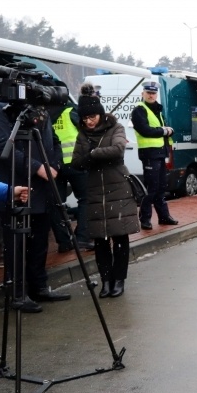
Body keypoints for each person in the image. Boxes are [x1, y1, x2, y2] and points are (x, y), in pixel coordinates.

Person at [0, 98, 70, 313]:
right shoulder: (1, 111)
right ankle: (17, 293)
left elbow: (54, 141)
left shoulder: (39, 111)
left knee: (39, 242)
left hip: (43, 188)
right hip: (16, 187)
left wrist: (54, 164)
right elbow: (2, 146)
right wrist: (37, 167)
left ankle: (39, 287)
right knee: (16, 245)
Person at [71, 84, 140, 298]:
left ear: (100, 114)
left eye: (92, 117)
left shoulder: (116, 128)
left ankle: (119, 279)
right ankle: (106, 280)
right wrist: (94, 155)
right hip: (94, 191)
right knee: (100, 240)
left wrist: (92, 154)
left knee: (119, 237)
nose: (88, 121)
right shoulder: (82, 135)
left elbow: (117, 150)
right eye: (85, 119)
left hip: (117, 187)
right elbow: (76, 162)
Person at [131, 80, 177, 230]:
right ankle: (145, 219)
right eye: (148, 93)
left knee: (161, 187)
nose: (151, 95)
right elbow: (145, 130)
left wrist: (168, 130)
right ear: (143, 93)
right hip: (149, 154)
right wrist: (164, 130)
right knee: (151, 189)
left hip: (159, 153)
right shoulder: (139, 110)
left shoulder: (156, 109)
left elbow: (158, 129)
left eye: (153, 93)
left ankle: (164, 216)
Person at [49, 96, 93, 252]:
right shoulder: (71, 110)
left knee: (57, 204)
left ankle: (64, 242)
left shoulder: (44, 114)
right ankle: (82, 237)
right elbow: (87, 131)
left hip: (55, 165)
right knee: (86, 198)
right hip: (76, 162)